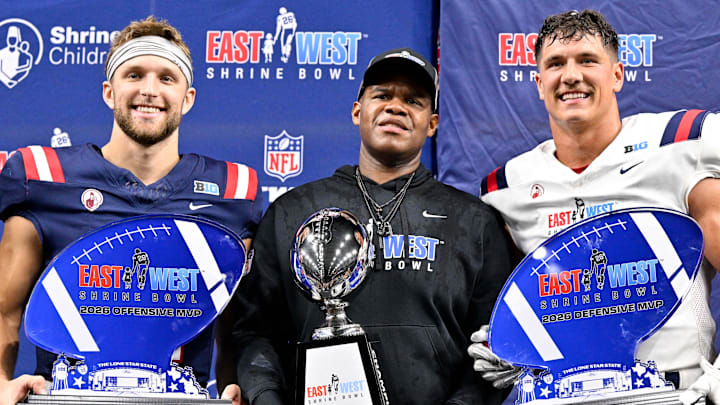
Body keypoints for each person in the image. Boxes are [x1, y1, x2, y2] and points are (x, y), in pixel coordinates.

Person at [222, 48, 514, 404]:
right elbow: (253, 330)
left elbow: (493, 348)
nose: (395, 106)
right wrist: (267, 399)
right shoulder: (292, 212)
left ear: (432, 123)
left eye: (414, 100)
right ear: (357, 111)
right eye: (382, 95)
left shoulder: (473, 221)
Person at [0, 16, 262, 405]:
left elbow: (234, 325)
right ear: (109, 91)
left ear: (188, 97)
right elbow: (5, 310)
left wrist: (232, 388)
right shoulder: (42, 178)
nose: (149, 90)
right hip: (65, 400)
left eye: (167, 78)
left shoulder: (233, 192)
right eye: (134, 74)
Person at [467, 9, 720, 404]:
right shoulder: (508, 189)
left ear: (617, 74)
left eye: (587, 60)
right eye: (555, 64)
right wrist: (509, 349)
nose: (571, 76)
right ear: (538, 83)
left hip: (673, 394)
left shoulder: (677, 147)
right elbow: (520, 302)